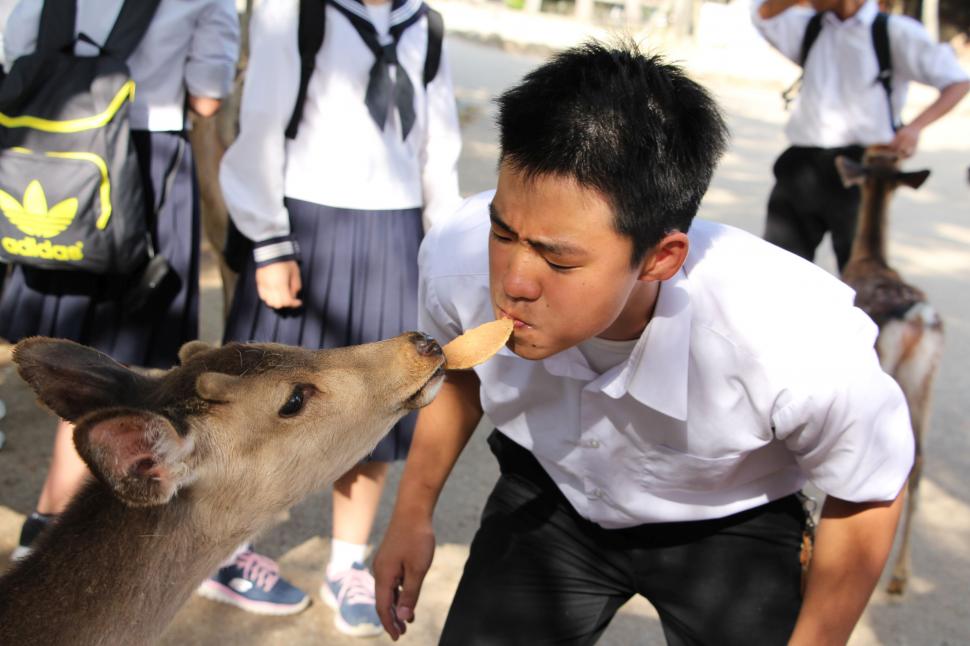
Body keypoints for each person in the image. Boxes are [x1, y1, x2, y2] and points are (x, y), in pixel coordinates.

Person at [372, 41, 915, 645]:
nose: (514, 282)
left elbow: (867, 488)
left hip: (732, 521)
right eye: (503, 231)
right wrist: (412, 513)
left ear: (660, 258)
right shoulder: (456, 256)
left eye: (558, 258)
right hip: (550, 488)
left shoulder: (792, 341)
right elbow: (464, 370)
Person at [217, 0, 461, 633]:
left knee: (376, 403)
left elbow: (439, 152)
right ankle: (225, 552)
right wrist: (269, 244)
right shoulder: (293, 12)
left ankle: (347, 562)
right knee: (262, 403)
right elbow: (261, 127)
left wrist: (444, 249)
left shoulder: (426, 26)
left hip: (394, 237)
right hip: (305, 228)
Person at [2, 0, 239, 580]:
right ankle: (48, 525)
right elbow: (207, 95)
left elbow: (14, 56)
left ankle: (45, 520)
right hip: (141, 168)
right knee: (113, 362)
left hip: (52, 155)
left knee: (49, 326)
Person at [751, 0, 969, 272]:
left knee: (860, 272)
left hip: (863, 170)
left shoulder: (894, 32)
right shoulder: (809, 26)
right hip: (801, 165)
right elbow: (763, 14)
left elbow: (957, 81)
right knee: (779, 268)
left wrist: (914, 127)